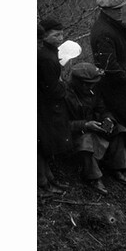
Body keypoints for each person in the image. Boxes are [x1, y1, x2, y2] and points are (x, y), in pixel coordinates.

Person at [64, 63, 126, 194]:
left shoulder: (93, 92)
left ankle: (116, 168)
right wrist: (85, 125)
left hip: (95, 127)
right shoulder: (65, 96)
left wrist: (108, 120)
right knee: (86, 142)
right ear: (79, 83)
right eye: (87, 84)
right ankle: (94, 178)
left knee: (119, 130)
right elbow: (61, 125)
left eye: (92, 84)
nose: (90, 87)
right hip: (76, 134)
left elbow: (103, 109)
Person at [89, 0, 126, 135]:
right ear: (105, 10)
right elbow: (109, 66)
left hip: (120, 84)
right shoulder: (104, 32)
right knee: (121, 127)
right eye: (116, 9)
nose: (120, 11)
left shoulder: (112, 27)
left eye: (121, 8)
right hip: (115, 88)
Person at [37, 18, 72, 195]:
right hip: (46, 107)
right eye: (56, 35)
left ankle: (48, 178)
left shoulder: (49, 54)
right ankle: (42, 181)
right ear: (45, 35)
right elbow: (52, 89)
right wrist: (63, 86)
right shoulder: (46, 58)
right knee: (44, 143)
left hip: (48, 106)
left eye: (62, 34)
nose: (61, 37)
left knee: (46, 144)